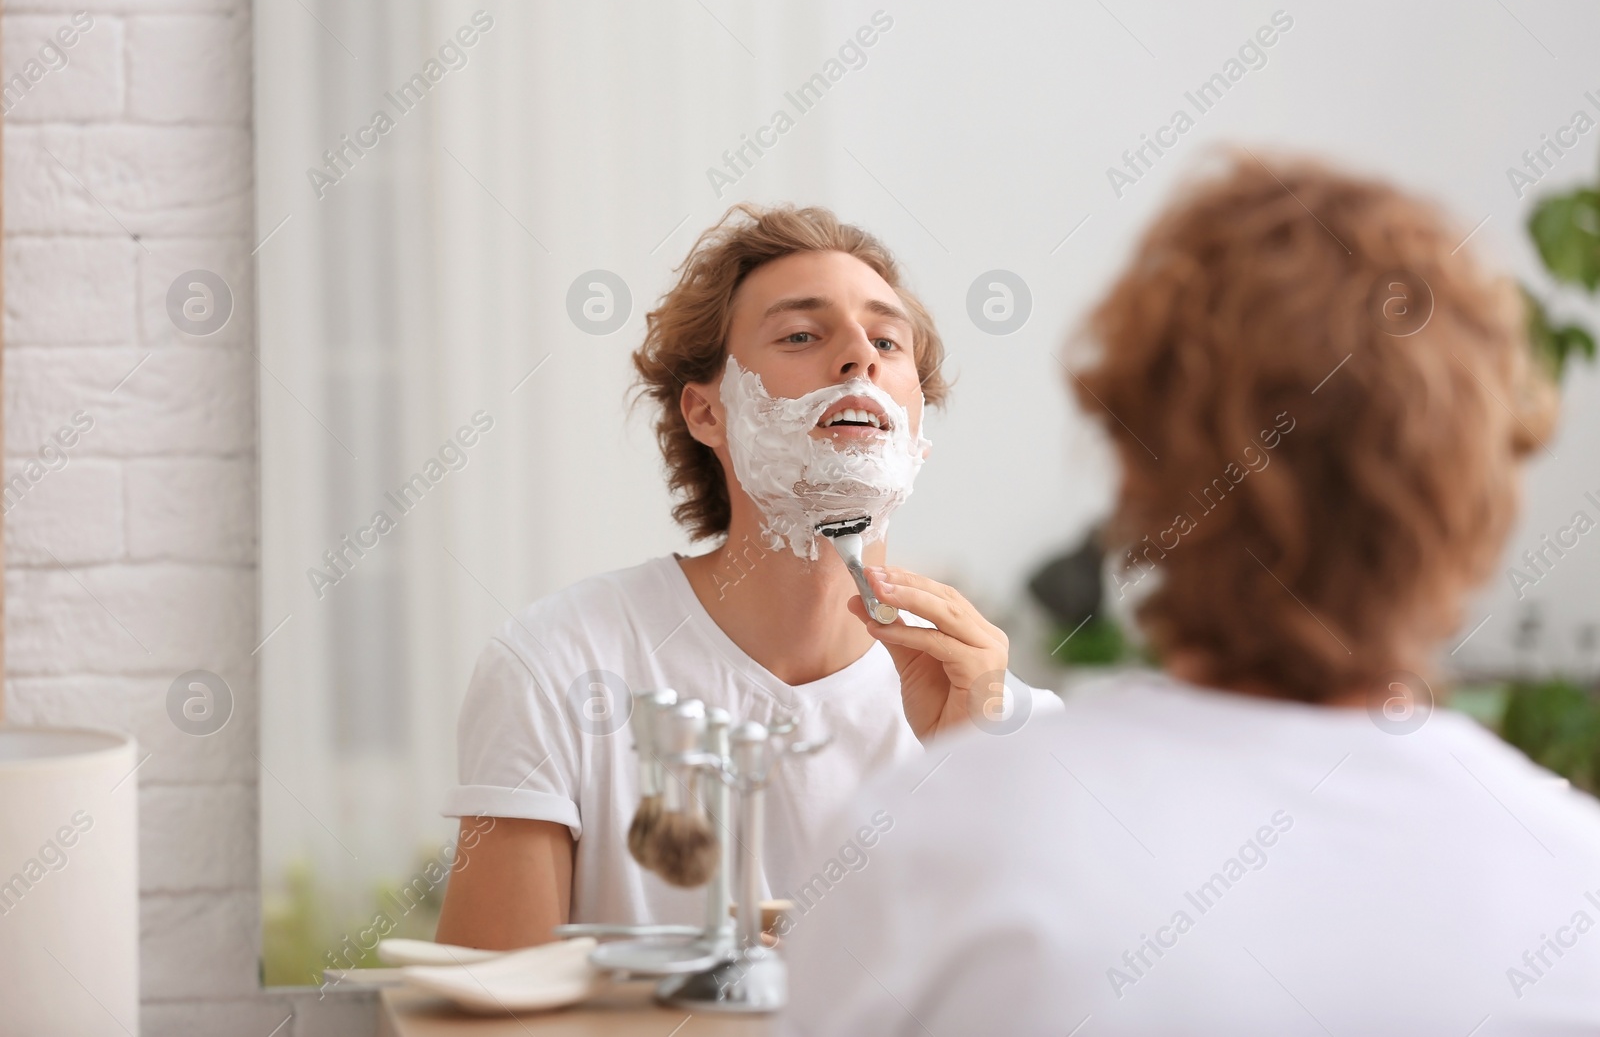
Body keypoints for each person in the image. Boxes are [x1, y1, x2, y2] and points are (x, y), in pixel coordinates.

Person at [782, 155, 1600, 1034]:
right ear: (1479, 495)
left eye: (887, 339)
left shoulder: (928, 842)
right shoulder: (1572, 885)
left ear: (1135, 462)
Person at [434, 204, 1062, 948]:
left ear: (917, 423)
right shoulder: (557, 664)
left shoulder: (1007, 723)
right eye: (802, 334)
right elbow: (489, 1023)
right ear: (708, 412)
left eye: (888, 340)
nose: (860, 355)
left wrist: (968, 773)